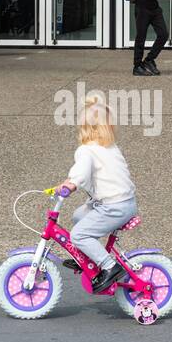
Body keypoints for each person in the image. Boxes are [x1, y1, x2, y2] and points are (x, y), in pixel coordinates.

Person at [55, 92, 139, 293]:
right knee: (79, 216)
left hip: (113, 207)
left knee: (79, 235)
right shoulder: (109, 146)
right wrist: (68, 181)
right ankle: (89, 256)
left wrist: (71, 185)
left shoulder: (86, 149)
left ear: (85, 128)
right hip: (124, 203)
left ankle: (110, 266)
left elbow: (81, 172)